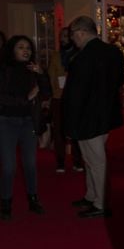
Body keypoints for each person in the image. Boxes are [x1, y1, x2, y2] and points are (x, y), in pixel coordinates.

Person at [64, 16, 124, 218]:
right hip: (106, 115)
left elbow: (76, 95)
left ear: (81, 32)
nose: (72, 39)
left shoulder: (81, 58)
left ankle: (100, 202)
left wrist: (69, 124)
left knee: (96, 162)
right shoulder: (114, 52)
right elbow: (120, 81)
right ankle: (91, 196)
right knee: (92, 161)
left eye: (73, 34)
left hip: (87, 118)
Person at [0, 35, 51, 220]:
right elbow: (2, 98)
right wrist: (26, 99)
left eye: (28, 47)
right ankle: (5, 202)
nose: (26, 50)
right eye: (21, 47)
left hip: (28, 121)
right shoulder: (4, 70)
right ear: (13, 50)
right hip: (7, 121)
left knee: (30, 164)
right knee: (8, 167)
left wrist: (42, 74)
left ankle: (33, 199)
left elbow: (46, 94)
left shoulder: (33, 70)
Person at [47, 26, 84, 173]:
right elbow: (51, 76)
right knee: (59, 131)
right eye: (61, 37)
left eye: (66, 36)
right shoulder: (56, 56)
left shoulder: (80, 55)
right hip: (59, 97)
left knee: (76, 129)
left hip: (76, 98)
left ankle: (77, 161)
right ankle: (60, 161)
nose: (63, 39)